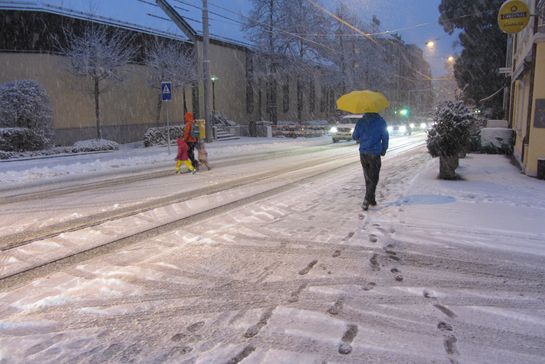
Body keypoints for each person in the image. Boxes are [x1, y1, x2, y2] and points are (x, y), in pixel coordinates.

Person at [352, 112, 389, 211]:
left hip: (363, 153)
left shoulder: (361, 122)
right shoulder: (381, 122)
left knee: (368, 177)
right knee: (374, 177)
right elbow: (385, 137)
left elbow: (354, 136)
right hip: (375, 153)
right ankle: (367, 199)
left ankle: (372, 199)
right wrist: (384, 149)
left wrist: (362, 135)